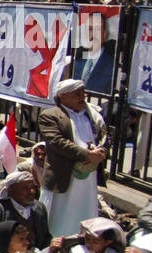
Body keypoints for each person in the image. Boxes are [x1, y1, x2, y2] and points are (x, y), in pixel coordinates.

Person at [39, 79, 107, 238]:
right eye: (77, 94)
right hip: (65, 175)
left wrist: (100, 153)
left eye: (83, 93)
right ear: (63, 97)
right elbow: (56, 142)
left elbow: (103, 137)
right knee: (60, 217)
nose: (82, 97)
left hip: (87, 176)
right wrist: (86, 154)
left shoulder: (92, 115)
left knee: (85, 211)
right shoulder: (50, 115)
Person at [0, 171, 53, 251]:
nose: (32, 191)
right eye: (26, 188)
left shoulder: (39, 208)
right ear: (11, 190)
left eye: (33, 187)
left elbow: (45, 239)